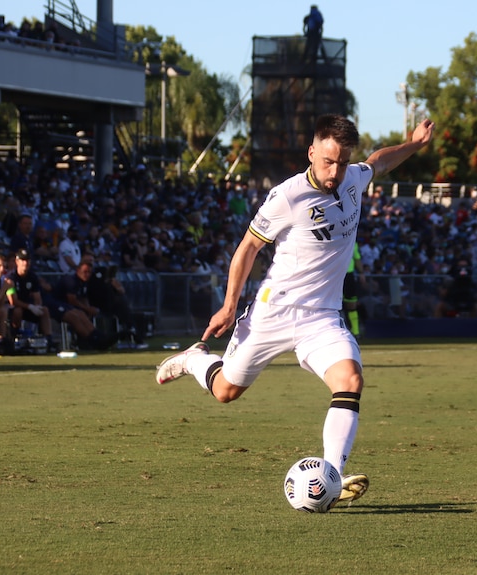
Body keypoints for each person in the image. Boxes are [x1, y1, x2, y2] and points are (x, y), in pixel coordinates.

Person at [156, 114, 435, 505]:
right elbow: (248, 248)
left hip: (321, 318)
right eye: (327, 161)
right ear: (312, 152)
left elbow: (380, 162)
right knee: (225, 392)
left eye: (341, 162)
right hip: (274, 313)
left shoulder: (353, 178)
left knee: (350, 381)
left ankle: (331, 476)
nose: (335, 171)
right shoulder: (288, 196)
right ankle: (193, 361)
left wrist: (416, 145)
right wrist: (228, 305)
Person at [6, 249, 56, 351]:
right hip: (13, 309)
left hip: (28, 307)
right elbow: (13, 301)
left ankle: (48, 340)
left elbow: (37, 297)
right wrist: (30, 306)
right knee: (18, 311)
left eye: (27, 260)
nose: (25, 263)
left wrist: (37, 306)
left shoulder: (32, 277)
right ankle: (15, 337)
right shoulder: (10, 277)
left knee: (44, 310)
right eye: (23, 260)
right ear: (17, 261)